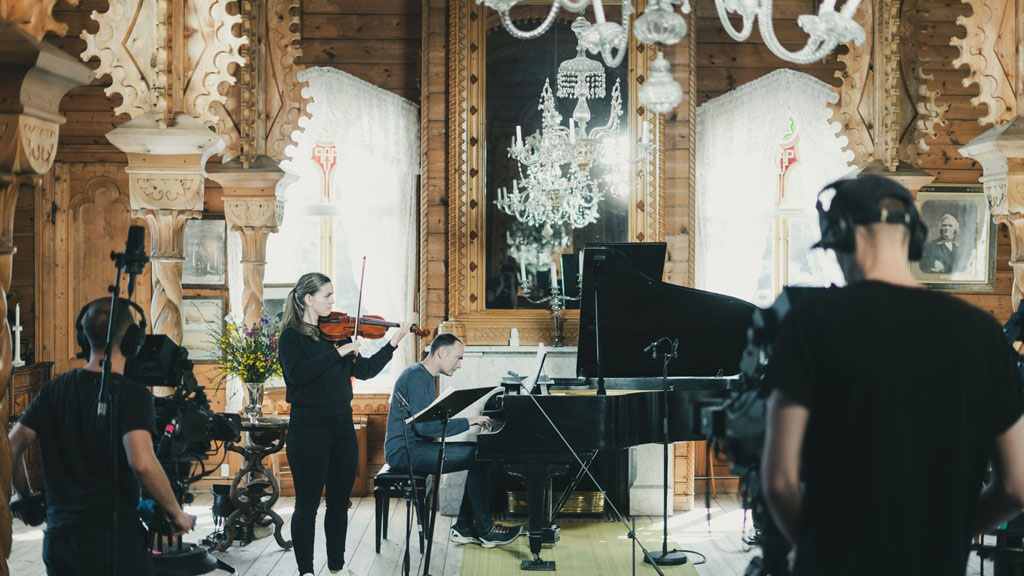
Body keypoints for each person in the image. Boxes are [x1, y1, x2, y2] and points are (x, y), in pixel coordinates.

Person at [761, 174, 1024, 576]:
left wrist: (814, 547)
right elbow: (1017, 484)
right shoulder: (983, 333)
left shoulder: (810, 321)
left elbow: (779, 481)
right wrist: (949, 534)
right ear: (914, 238)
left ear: (841, 234)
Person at [7, 298, 194, 576]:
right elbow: (141, 462)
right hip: (113, 544)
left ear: (83, 337)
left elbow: (10, 447)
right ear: (133, 341)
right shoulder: (132, 395)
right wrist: (176, 513)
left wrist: (26, 496)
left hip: (60, 541)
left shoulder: (52, 391)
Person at [278, 272, 412, 576]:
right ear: (308, 299)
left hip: (341, 426)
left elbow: (364, 371)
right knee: (307, 506)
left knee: (339, 504)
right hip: (308, 429)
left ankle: (336, 568)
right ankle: (306, 572)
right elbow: (299, 374)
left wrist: (393, 343)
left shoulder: (338, 335)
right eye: (327, 296)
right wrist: (339, 352)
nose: (333, 302)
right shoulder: (290, 337)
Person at [383, 333, 521, 547]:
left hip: (416, 446)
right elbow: (426, 427)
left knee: (479, 453)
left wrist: (468, 420)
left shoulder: (424, 375)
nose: (459, 365)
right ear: (441, 352)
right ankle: (483, 530)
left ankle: (466, 527)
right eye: (458, 358)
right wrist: (470, 420)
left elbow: (427, 423)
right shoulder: (417, 376)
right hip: (404, 451)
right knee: (477, 456)